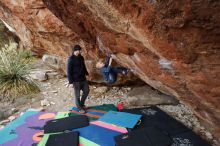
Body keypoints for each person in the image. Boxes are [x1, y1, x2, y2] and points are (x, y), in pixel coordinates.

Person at [67, 45, 90, 114]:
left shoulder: (81, 57)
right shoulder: (71, 59)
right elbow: (69, 71)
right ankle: (79, 108)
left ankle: (82, 104)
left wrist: (86, 72)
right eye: (77, 50)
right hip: (75, 80)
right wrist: (70, 82)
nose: (78, 52)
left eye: (79, 50)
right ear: (74, 51)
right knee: (77, 95)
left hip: (83, 78)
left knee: (87, 91)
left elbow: (83, 65)